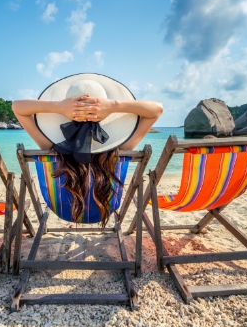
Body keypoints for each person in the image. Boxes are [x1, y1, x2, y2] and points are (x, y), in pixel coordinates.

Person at [12, 73, 162, 226]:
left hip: (63, 211)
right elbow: (156, 110)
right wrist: (113, 106)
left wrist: (59, 107)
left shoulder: (49, 146)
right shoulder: (122, 147)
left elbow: (17, 107)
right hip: (105, 209)